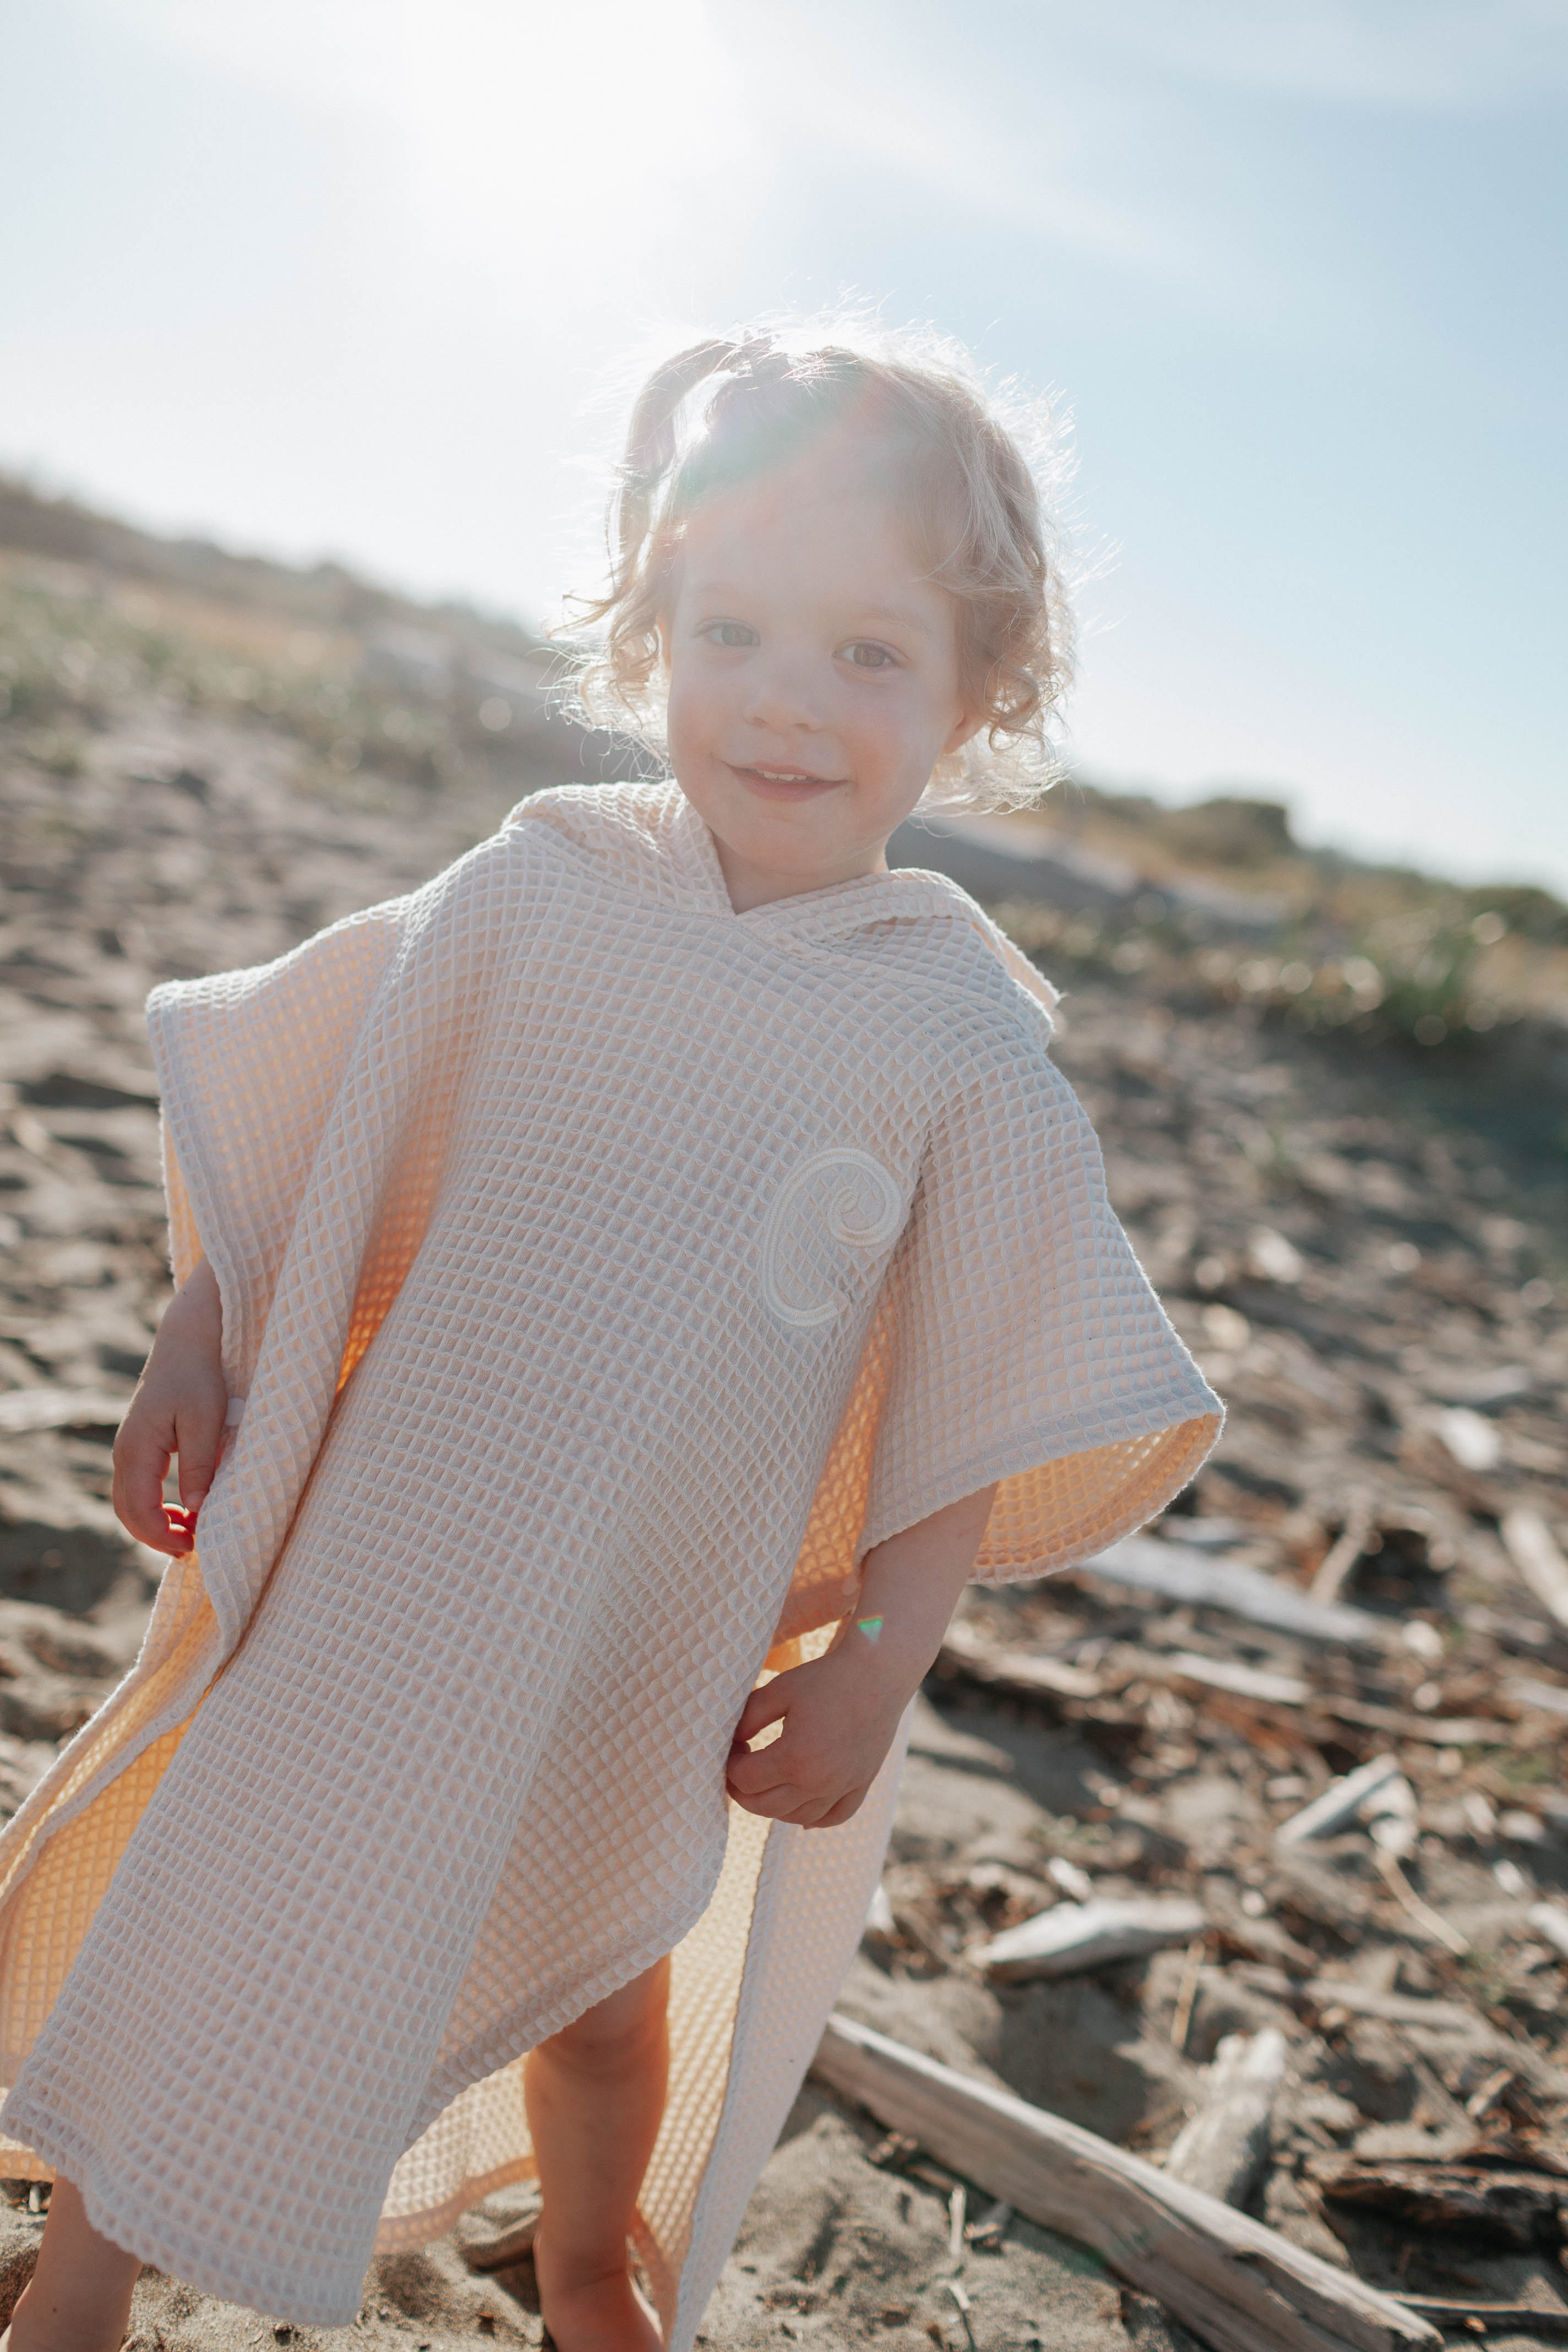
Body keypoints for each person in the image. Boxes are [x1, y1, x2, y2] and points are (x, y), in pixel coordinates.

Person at [0, 325, 1220, 2352]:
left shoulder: (954, 1032)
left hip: (652, 1619)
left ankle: (589, 2280)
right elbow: (327, 1120)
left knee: (598, 1978)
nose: (784, 701)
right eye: (730, 625)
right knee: (222, 1894)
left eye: (867, 655)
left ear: (979, 693)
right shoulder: (542, 883)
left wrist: (883, 1660)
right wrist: (200, 1330)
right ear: (650, 623)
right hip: (378, 1552)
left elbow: (969, 1388)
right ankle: (86, 2280)